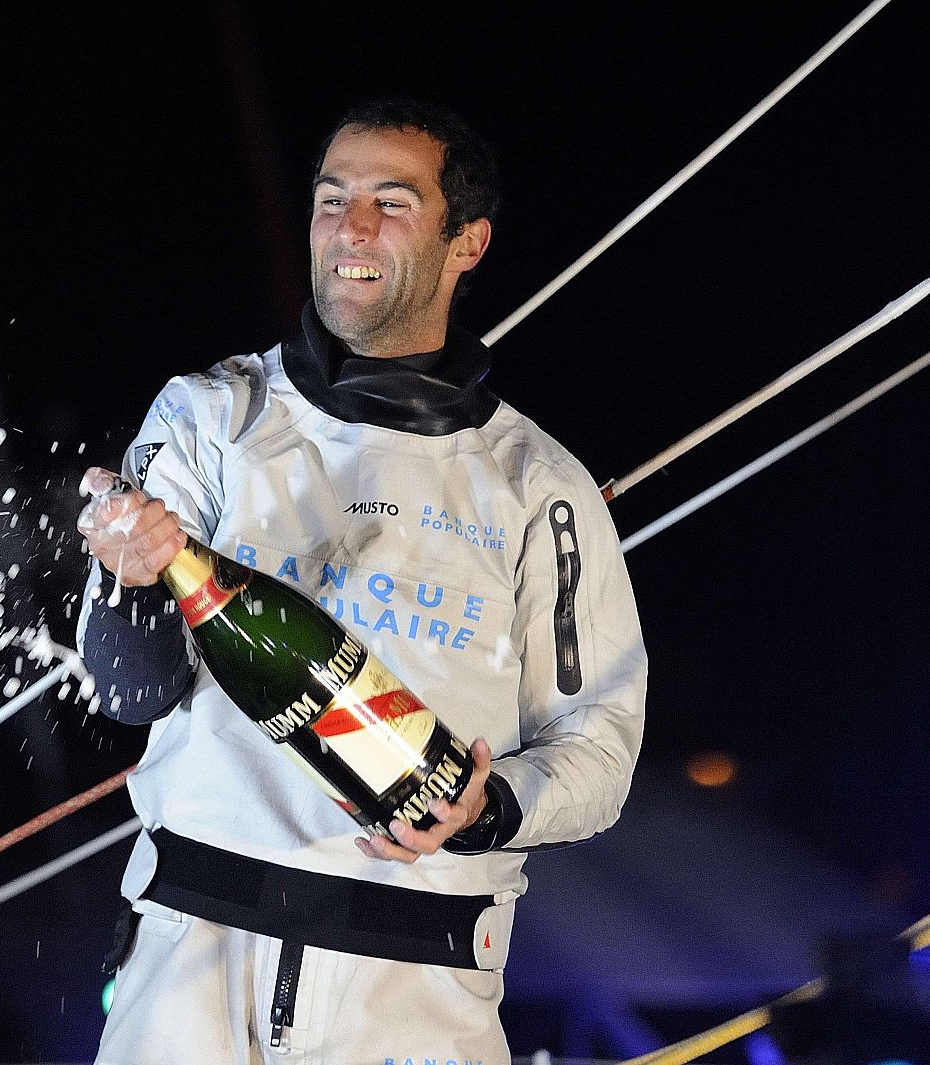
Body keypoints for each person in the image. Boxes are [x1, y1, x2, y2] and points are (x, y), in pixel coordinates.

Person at [75, 98, 646, 1065]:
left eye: (393, 202)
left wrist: (487, 808)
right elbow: (129, 693)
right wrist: (132, 580)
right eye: (333, 199)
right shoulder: (212, 416)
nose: (353, 228)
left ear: (466, 243)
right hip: (192, 962)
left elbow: (600, 750)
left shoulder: (538, 487)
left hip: (418, 991)